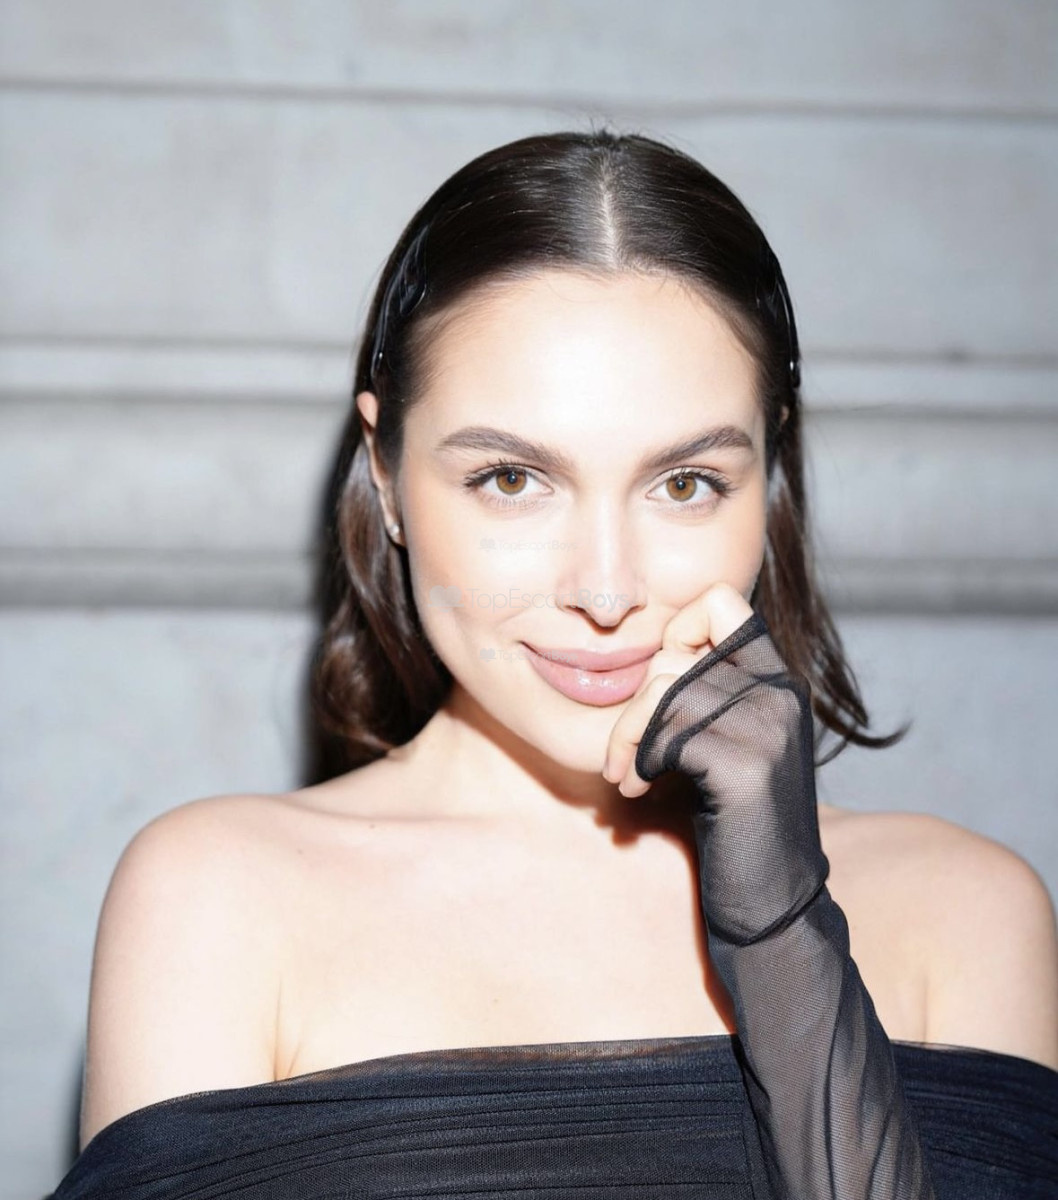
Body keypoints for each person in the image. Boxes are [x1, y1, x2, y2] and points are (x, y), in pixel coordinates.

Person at [51, 130, 1057, 1199]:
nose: (605, 589)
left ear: (767, 478)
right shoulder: (218, 900)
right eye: (510, 479)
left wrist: (782, 936)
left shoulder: (965, 912)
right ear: (386, 475)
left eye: (684, 484)